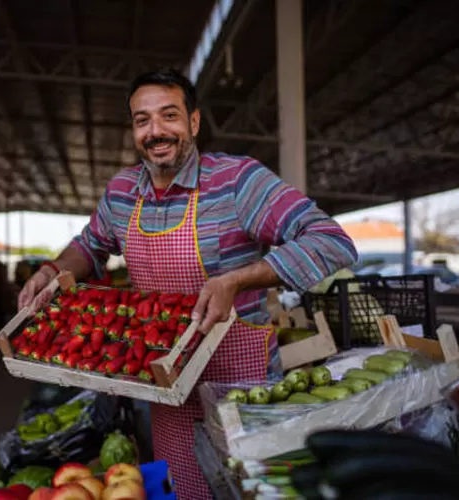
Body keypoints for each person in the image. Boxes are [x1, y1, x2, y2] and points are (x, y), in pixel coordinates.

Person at [18, 68, 358, 499]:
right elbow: (89, 245)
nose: (156, 131)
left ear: (194, 122)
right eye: (142, 120)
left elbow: (331, 241)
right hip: (165, 387)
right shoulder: (123, 192)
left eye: (169, 116)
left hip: (241, 386)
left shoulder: (237, 181)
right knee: (187, 490)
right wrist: (51, 271)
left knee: (248, 489)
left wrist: (237, 279)